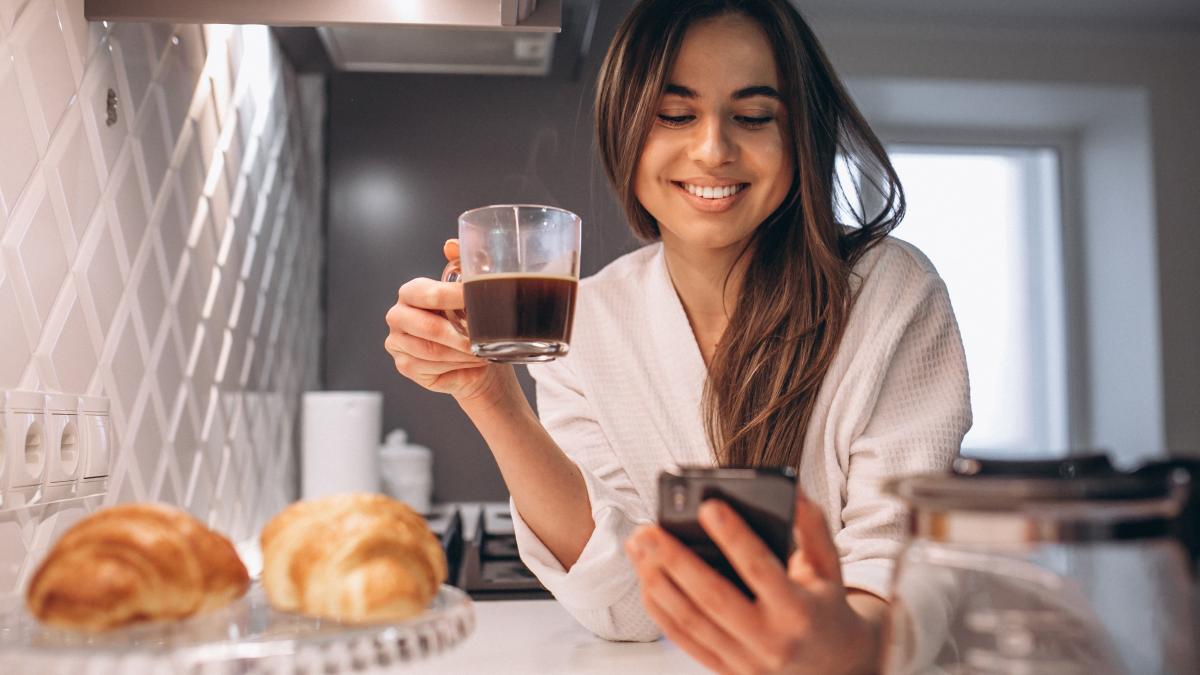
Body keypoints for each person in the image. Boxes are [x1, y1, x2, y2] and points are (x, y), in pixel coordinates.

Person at [384, 0, 971, 672]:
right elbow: (627, 602)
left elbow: (906, 560)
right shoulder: (590, 318)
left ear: (800, 134)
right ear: (625, 126)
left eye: (753, 116)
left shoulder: (889, 291)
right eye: (675, 113)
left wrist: (852, 646)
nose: (714, 149)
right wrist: (490, 395)